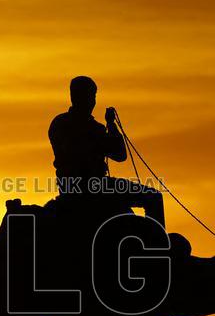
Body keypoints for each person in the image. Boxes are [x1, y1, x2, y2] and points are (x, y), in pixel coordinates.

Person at [48, 76, 165, 226]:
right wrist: (110, 126)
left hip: (71, 186)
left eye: (93, 96)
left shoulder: (60, 123)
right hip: (94, 186)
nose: (92, 101)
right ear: (75, 96)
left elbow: (120, 154)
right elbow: (120, 154)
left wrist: (110, 125)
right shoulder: (89, 128)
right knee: (153, 197)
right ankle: (156, 243)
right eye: (90, 96)